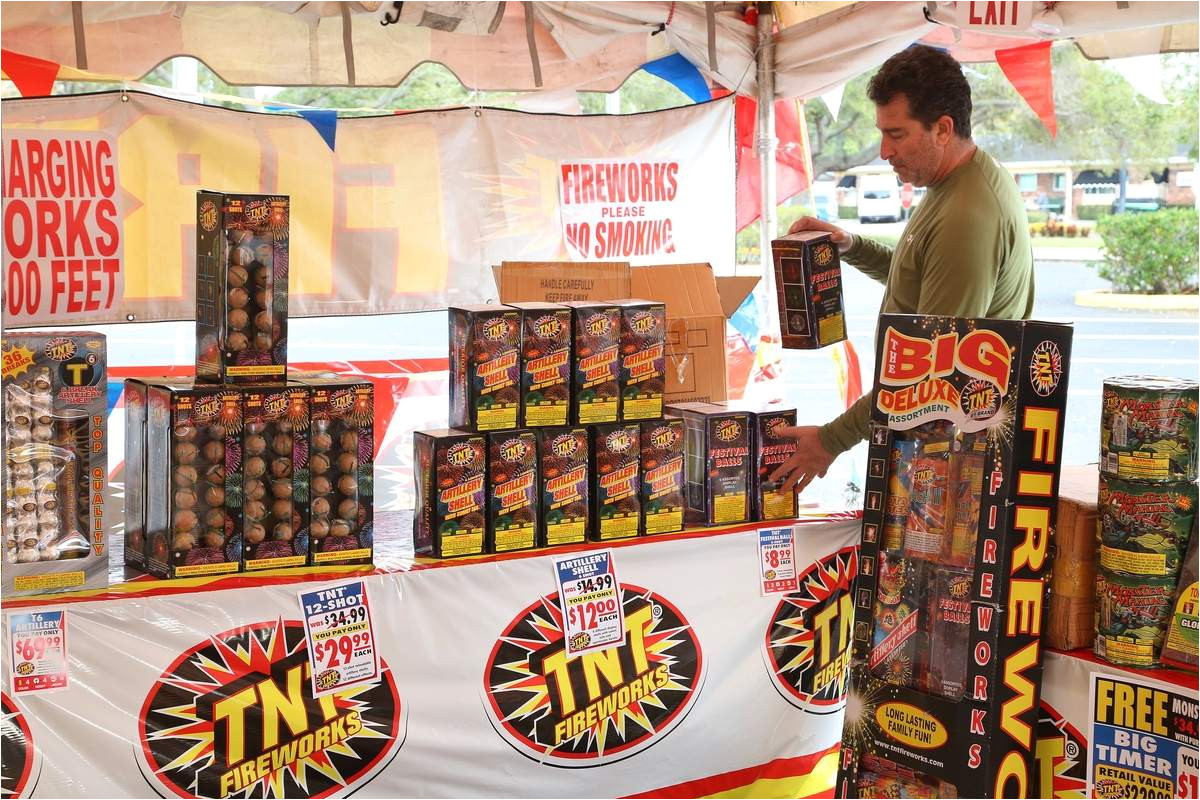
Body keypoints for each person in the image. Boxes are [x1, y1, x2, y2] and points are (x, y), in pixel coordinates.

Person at [771, 45, 1034, 494]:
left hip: (953, 453)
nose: (883, 150)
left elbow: (931, 373)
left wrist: (831, 440)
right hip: (938, 437)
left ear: (943, 129)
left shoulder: (967, 215)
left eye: (896, 134)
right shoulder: (954, 182)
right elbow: (918, 272)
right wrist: (849, 244)